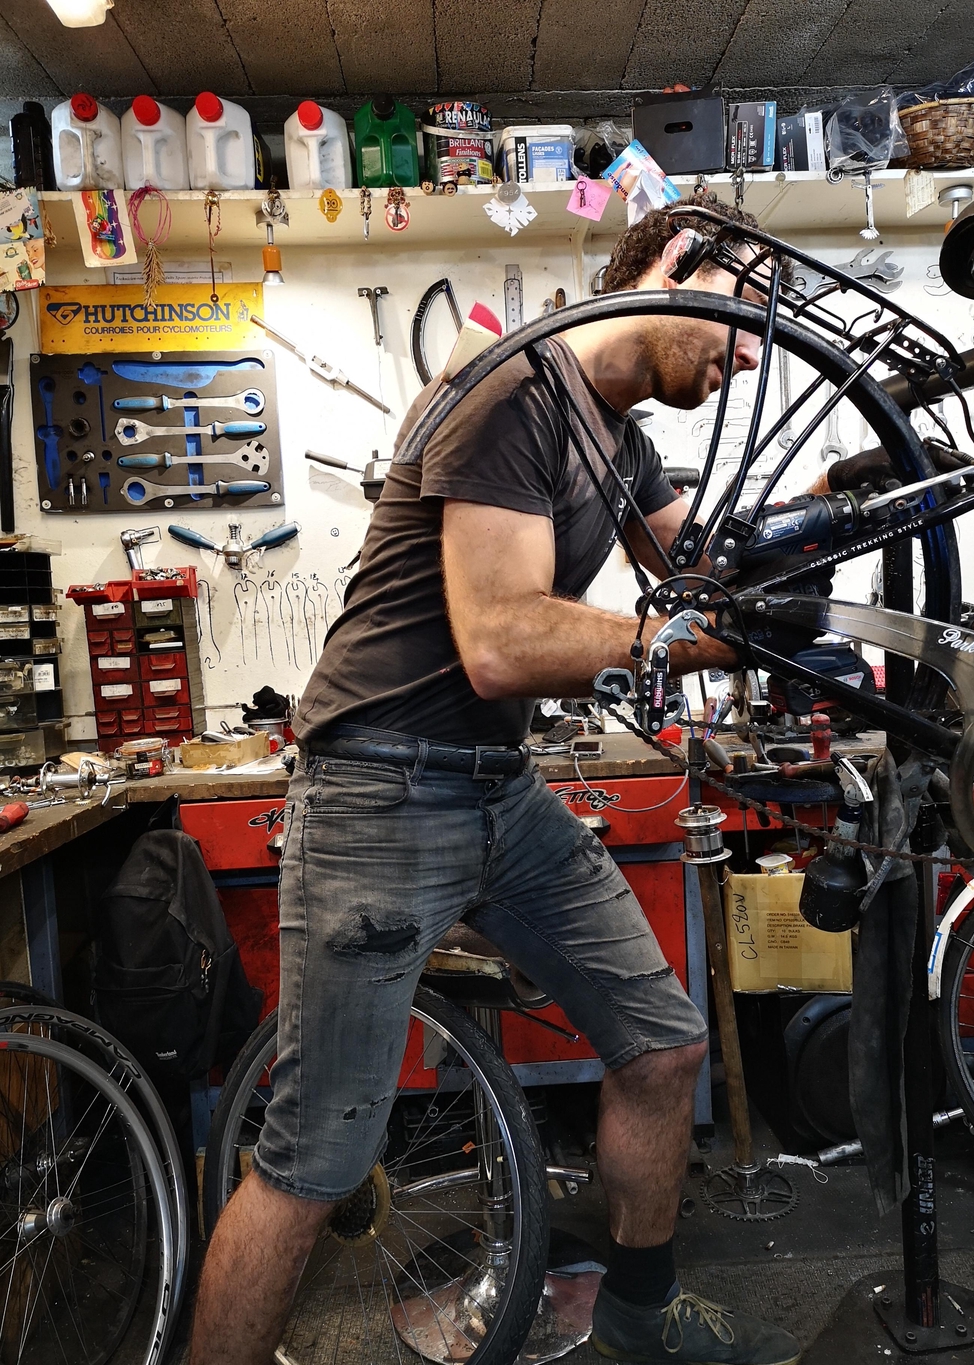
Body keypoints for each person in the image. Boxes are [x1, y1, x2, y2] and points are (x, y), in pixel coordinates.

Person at [190, 197, 803, 1365]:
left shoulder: (615, 442)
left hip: (492, 788)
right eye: (745, 324)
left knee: (661, 1045)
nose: (747, 360)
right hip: (376, 786)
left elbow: (704, 577)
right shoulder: (515, 390)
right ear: (678, 267)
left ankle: (638, 1310)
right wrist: (684, 642)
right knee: (316, 1158)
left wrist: (829, 526)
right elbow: (502, 643)